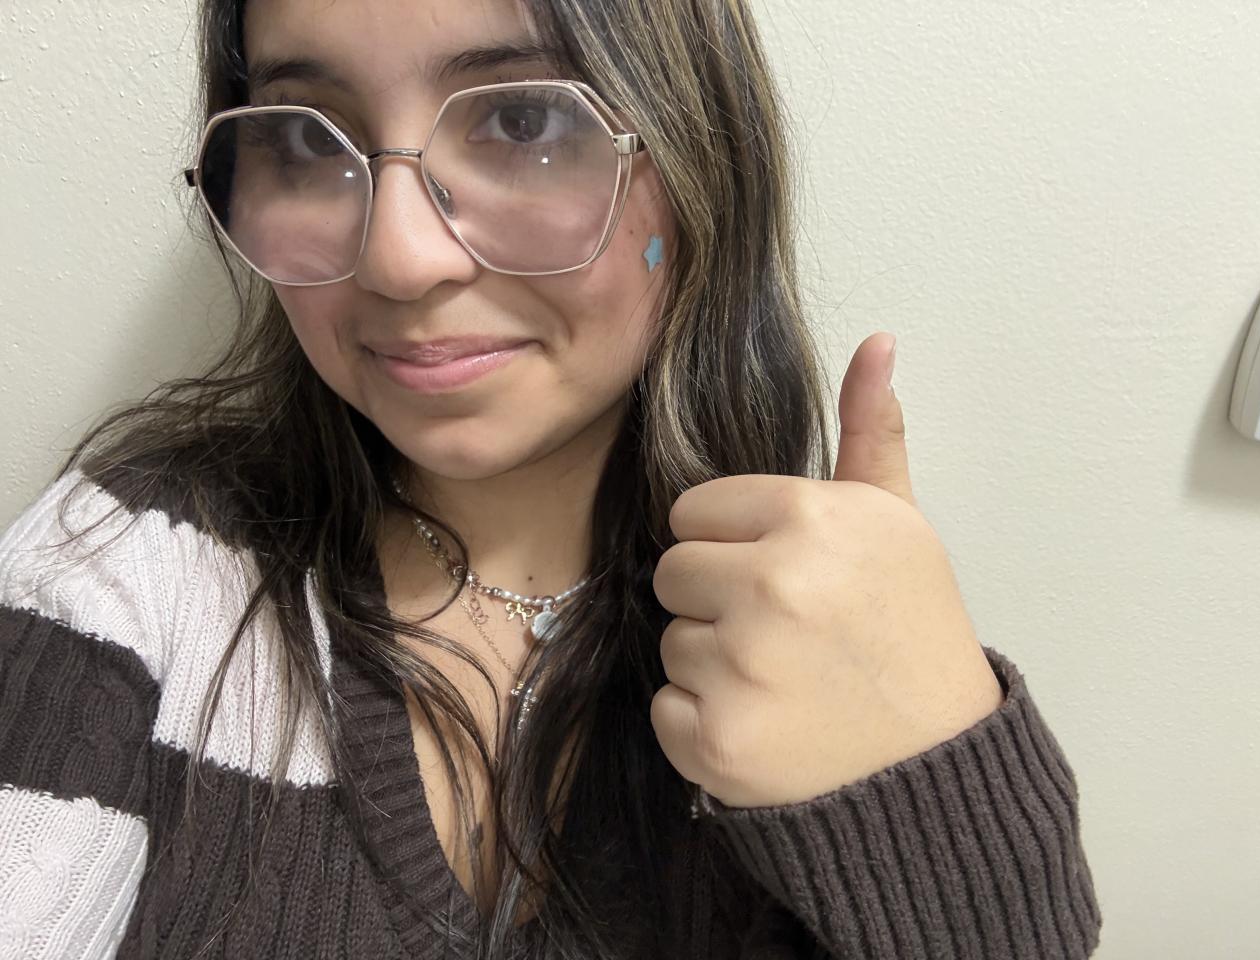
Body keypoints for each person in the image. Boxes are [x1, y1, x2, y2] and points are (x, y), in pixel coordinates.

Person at [0, 0, 1102, 957]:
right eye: (304, 137)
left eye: (523, 121)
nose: (399, 259)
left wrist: (925, 782)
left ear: (698, 153)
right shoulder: (126, 572)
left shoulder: (815, 634)